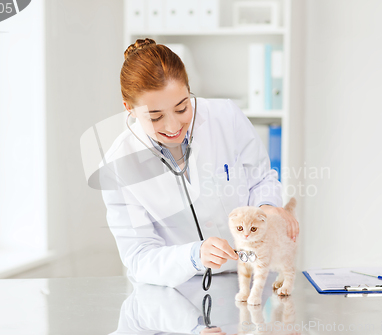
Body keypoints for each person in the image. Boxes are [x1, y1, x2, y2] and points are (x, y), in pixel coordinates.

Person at [101, 38, 299, 288]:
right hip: (179, 290)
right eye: (155, 116)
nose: (173, 127)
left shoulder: (225, 116)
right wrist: (194, 256)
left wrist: (267, 207)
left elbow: (260, 178)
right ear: (129, 108)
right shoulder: (118, 165)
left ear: (188, 91)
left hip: (252, 277)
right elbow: (139, 256)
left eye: (182, 108)